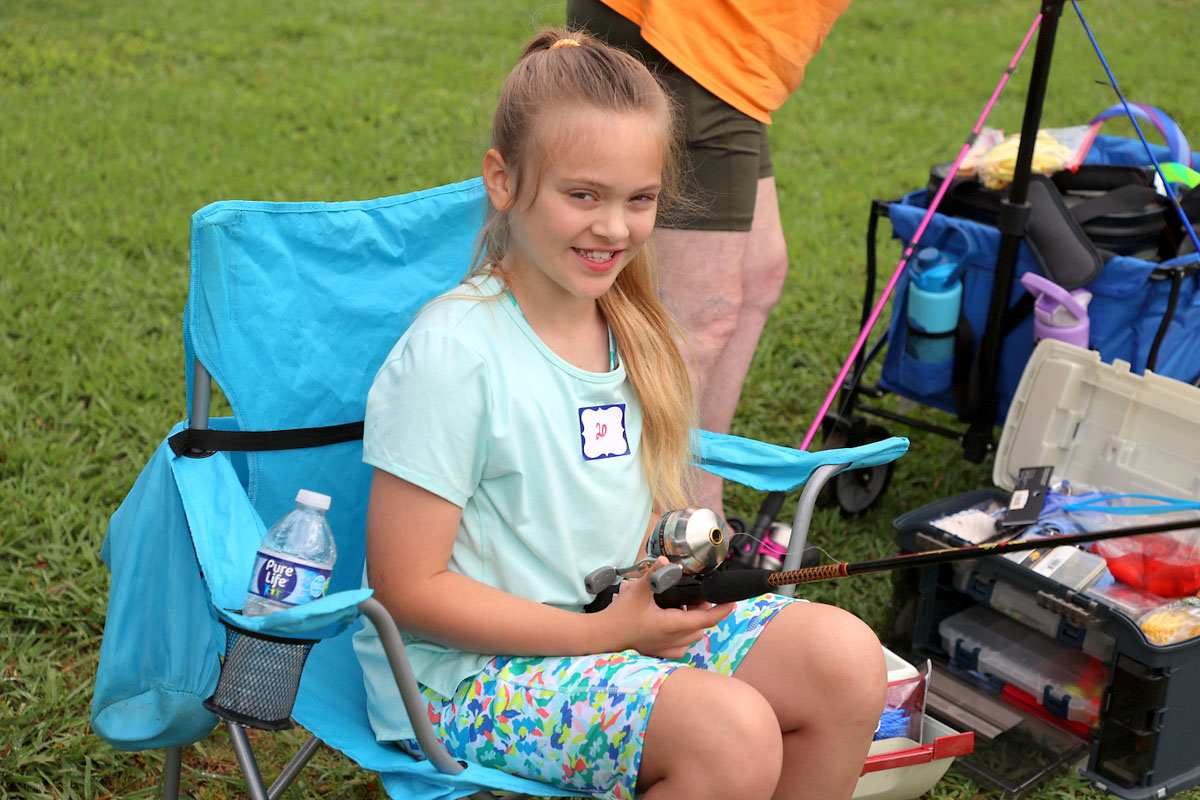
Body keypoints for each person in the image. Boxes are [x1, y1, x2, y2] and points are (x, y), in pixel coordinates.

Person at [353, 29, 885, 800]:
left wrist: (678, 580)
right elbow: (408, 591)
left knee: (845, 659)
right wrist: (605, 635)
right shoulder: (453, 353)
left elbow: (632, 520)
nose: (614, 228)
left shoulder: (636, 331)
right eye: (583, 195)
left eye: (640, 200)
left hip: (616, 630)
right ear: (502, 181)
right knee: (730, 734)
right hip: (468, 679)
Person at [567, 0, 853, 515]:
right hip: (699, 37)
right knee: (699, 318)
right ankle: (644, 543)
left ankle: (697, 511)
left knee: (758, 274)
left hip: (731, 48)